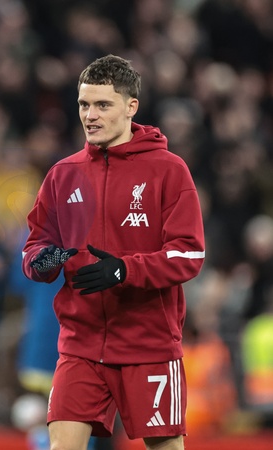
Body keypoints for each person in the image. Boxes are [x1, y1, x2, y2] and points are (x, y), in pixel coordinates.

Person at [22, 54, 205, 450]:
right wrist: (42, 262)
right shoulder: (63, 175)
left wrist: (125, 270)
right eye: (84, 104)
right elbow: (35, 245)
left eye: (103, 105)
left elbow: (189, 254)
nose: (90, 115)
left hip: (149, 344)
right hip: (81, 345)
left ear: (130, 106)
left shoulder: (168, 170)